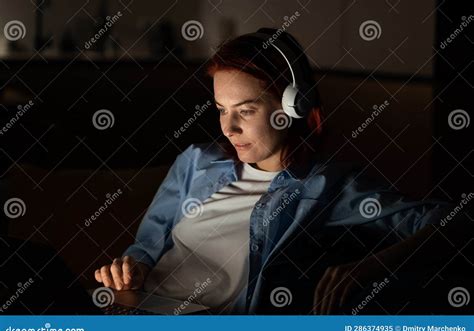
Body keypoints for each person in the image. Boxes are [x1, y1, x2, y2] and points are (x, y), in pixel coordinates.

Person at [94, 28, 472, 314]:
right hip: (134, 312)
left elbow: (454, 222)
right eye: (221, 109)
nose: (228, 128)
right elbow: (145, 247)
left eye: (245, 110)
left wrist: (368, 267)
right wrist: (131, 270)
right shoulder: (196, 161)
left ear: (292, 105)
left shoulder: (328, 187)